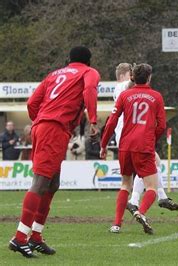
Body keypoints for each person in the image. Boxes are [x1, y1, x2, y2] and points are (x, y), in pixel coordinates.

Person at [9, 46, 100, 258]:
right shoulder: (89, 72)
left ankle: (36, 236)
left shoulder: (54, 74)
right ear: (88, 61)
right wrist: (93, 120)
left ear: (69, 60)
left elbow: (32, 102)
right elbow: (89, 91)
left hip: (46, 127)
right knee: (40, 183)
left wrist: (39, 120)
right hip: (53, 128)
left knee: (52, 183)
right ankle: (20, 238)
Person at [109, 63, 178, 221]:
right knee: (149, 168)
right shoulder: (124, 86)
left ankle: (158, 197)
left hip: (126, 135)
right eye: (130, 73)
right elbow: (132, 85)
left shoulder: (120, 90)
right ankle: (139, 200)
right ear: (124, 75)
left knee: (152, 165)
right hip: (133, 134)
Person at [101, 63, 166, 235]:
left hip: (125, 145)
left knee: (125, 185)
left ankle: (116, 224)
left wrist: (103, 144)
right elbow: (162, 125)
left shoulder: (124, 95)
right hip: (143, 145)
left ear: (133, 77)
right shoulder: (157, 96)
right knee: (151, 187)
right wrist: (152, 139)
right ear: (149, 77)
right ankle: (140, 212)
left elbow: (111, 122)